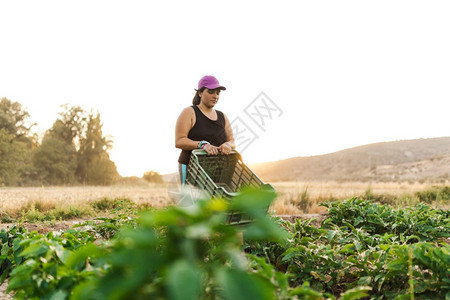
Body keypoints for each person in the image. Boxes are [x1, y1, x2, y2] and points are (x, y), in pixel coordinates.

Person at [175, 75, 236, 185]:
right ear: (200, 93)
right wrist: (203, 145)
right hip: (192, 168)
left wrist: (227, 145)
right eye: (211, 92)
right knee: (192, 201)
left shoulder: (222, 116)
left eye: (218, 93)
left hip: (218, 170)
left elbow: (232, 141)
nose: (215, 96)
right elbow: (179, 141)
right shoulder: (189, 112)